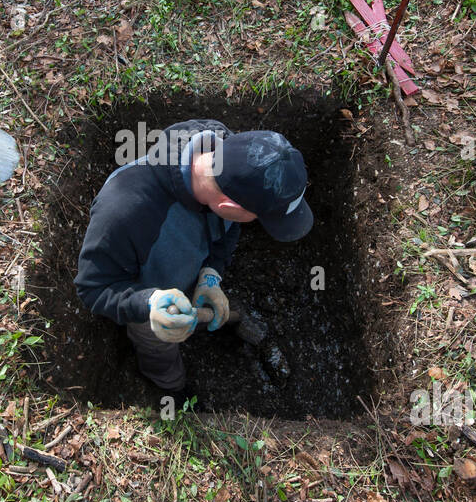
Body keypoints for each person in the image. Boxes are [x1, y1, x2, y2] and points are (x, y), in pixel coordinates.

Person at [74, 119, 313, 404]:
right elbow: (93, 288)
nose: (253, 224)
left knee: (213, 303)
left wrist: (211, 275)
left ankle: (223, 318)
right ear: (229, 207)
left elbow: (229, 228)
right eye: (258, 218)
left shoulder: (231, 158)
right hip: (150, 302)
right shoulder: (123, 213)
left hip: (186, 272)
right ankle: (171, 385)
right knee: (158, 346)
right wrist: (149, 304)